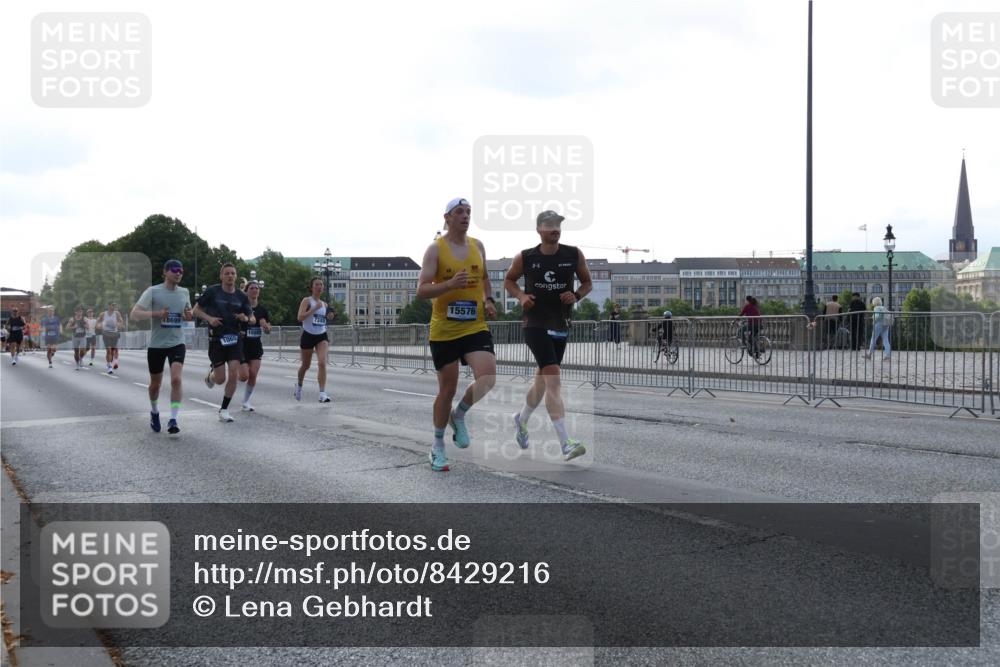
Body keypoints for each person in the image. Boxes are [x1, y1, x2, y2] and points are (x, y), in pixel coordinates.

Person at [416, 197, 498, 472]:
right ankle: (437, 446)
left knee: (487, 377)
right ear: (447, 218)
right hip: (444, 329)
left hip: (474, 325)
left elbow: (485, 278)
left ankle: (459, 415)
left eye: (468, 212)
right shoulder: (435, 250)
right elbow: (422, 290)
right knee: (447, 388)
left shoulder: (478, 246)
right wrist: (449, 284)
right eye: (459, 212)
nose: (465, 216)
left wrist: (488, 300)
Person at [504, 210, 591, 462]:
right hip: (535, 323)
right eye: (550, 225)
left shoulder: (573, 254)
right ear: (539, 230)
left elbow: (587, 283)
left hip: (560, 323)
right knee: (553, 379)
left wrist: (576, 295)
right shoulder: (526, 257)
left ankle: (521, 419)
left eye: (558, 225)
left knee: (542, 381)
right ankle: (566, 442)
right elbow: (509, 280)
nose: (555, 229)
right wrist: (521, 296)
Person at [131, 259, 193, 434]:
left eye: (181, 270)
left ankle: (173, 419)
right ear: (165, 272)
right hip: (157, 344)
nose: (178, 273)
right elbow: (134, 314)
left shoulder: (184, 292)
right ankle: (154, 411)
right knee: (155, 385)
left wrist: (188, 315)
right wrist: (157, 313)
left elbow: (187, 313)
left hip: (177, 342)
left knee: (176, 379)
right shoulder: (153, 291)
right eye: (174, 270)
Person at [193, 263, 253, 422]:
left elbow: (251, 318)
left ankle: (224, 409)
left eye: (233, 273)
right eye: (226, 273)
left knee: (233, 373)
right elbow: (196, 310)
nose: (230, 276)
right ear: (221, 276)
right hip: (216, 339)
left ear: (236, 276)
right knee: (220, 379)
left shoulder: (241, 296)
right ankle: (210, 377)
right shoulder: (213, 292)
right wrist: (209, 319)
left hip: (235, 339)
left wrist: (245, 318)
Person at [294, 277, 335, 403]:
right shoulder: (307, 301)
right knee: (305, 365)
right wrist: (313, 309)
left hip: (321, 335)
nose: (319, 286)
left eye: (321, 285)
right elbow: (300, 317)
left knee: (322, 363)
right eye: (316, 284)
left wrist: (330, 316)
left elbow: (324, 319)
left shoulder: (325, 304)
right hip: (308, 335)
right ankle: (299, 386)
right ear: (311, 287)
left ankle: (322, 393)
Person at [238, 280, 271, 411]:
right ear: (246, 291)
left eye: (257, 288)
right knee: (243, 376)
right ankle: (234, 370)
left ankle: (246, 402)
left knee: (253, 375)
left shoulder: (262, 309)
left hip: (256, 346)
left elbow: (268, 328)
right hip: (242, 346)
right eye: (251, 288)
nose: (255, 290)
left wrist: (267, 327)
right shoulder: (241, 308)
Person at [97, 302, 125, 374]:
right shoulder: (103, 314)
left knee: (113, 350)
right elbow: (97, 323)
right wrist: (100, 326)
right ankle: (109, 366)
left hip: (114, 334)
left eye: (115, 305)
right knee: (108, 350)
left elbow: (121, 322)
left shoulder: (117, 314)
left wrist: (119, 324)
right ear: (108, 306)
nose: (114, 306)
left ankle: (113, 361)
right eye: (112, 305)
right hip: (106, 333)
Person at [865, 296, 891, 360]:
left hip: (879, 324)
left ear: (874, 302)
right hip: (886, 324)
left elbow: (878, 316)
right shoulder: (883, 307)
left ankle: (869, 354)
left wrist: (873, 318)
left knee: (873, 338)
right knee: (885, 339)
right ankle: (888, 355)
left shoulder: (876, 308)